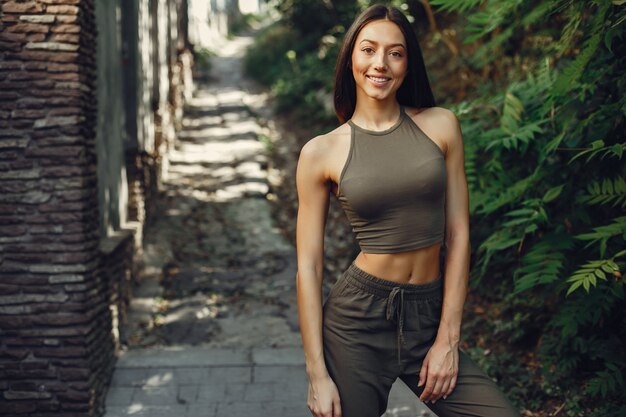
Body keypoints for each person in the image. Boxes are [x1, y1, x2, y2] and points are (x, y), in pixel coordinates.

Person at [295, 4, 522, 417]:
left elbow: (458, 235)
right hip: (356, 325)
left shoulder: (441, 126)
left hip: (427, 317)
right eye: (368, 49)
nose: (380, 63)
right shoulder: (320, 152)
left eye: (395, 53)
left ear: (407, 62)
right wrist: (317, 375)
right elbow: (308, 267)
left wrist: (447, 339)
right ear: (351, 58)